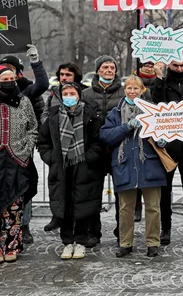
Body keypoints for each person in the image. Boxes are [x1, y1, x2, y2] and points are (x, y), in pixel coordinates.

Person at [100, 75, 167, 258]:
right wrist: (127, 126)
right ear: (125, 90)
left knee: (153, 207)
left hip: (149, 163)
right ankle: (125, 243)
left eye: (136, 88)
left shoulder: (152, 111)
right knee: (125, 208)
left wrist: (162, 140)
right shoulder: (115, 112)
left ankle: (153, 243)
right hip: (125, 164)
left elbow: (164, 132)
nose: (132, 91)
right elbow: (107, 137)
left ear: (142, 90)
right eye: (129, 88)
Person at [38, 82, 105, 260]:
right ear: (61, 96)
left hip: (83, 165)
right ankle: (67, 242)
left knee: (82, 204)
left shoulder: (90, 115)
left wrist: (88, 158)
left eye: (72, 93)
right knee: (64, 205)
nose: (69, 96)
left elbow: (98, 142)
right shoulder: (53, 116)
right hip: (61, 167)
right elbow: (43, 141)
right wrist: (51, 159)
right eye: (65, 93)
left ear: (79, 95)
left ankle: (81, 242)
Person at [151, 58, 183, 245]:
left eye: (182, 65)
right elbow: (155, 104)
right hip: (168, 147)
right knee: (165, 189)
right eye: (175, 66)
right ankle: (166, 228)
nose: (179, 69)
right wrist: (158, 78)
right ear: (169, 65)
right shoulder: (163, 84)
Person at [1, 45, 47, 245]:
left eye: (12, 73)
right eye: (4, 75)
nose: (9, 79)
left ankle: (21, 229)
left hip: (19, 154)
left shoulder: (25, 93)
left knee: (21, 192)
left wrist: (35, 61)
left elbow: (42, 84)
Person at [82, 55, 128, 246]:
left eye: (112, 67)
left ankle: (122, 232)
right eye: (105, 67)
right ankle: (94, 232)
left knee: (122, 194)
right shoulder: (86, 94)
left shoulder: (126, 92)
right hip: (95, 150)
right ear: (98, 70)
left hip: (119, 148)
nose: (109, 70)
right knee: (94, 193)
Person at [0, 65, 38, 263]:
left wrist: (26, 149)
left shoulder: (24, 102)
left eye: (10, 79)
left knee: (15, 205)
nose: (7, 82)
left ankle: (12, 245)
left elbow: (33, 127)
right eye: (3, 79)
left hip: (17, 159)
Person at [42, 62, 86, 232]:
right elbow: (46, 112)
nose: (64, 78)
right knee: (57, 185)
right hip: (57, 145)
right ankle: (57, 217)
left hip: (77, 146)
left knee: (78, 187)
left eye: (68, 75)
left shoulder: (81, 92)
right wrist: (50, 126)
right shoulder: (54, 93)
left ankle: (80, 224)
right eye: (61, 75)